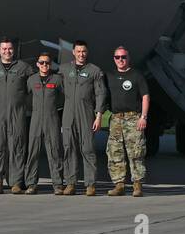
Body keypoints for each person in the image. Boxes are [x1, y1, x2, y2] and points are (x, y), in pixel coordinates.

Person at [0, 37, 33, 193]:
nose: (7, 51)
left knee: (17, 148)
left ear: (14, 50)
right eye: (4, 49)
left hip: (16, 115)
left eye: (10, 49)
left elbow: (31, 89)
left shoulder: (24, 68)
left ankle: (16, 183)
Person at [59, 40, 107, 196]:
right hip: (68, 114)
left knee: (88, 149)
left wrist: (99, 116)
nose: (81, 54)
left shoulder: (94, 71)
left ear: (87, 53)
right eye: (78, 51)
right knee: (69, 149)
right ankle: (70, 183)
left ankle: (90, 184)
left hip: (86, 114)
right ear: (73, 52)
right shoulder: (64, 69)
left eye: (84, 51)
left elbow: (101, 94)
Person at [105, 46, 150, 197]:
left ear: (128, 58)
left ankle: (137, 185)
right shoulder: (109, 75)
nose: (120, 60)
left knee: (136, 152)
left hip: (133, 118)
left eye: (123, 57)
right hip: (116, 119)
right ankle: (119, 185)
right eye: (117, 57)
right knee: (115, 152)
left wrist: (143, 117)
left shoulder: (136, 75)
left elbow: (145, 96)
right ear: (114, 59)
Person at [25, 53, 65, 195]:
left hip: (52, 119)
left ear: (51, 64)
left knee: (54, 151)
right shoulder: (31, 80)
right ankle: (31, 184)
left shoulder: (57, 79)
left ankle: (58, 184)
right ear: (37, 64)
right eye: (41, 62)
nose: (44, 65)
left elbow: (66, 96)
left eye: (47, 63)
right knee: (33, 152)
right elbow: (22, 95)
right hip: (35, 119)